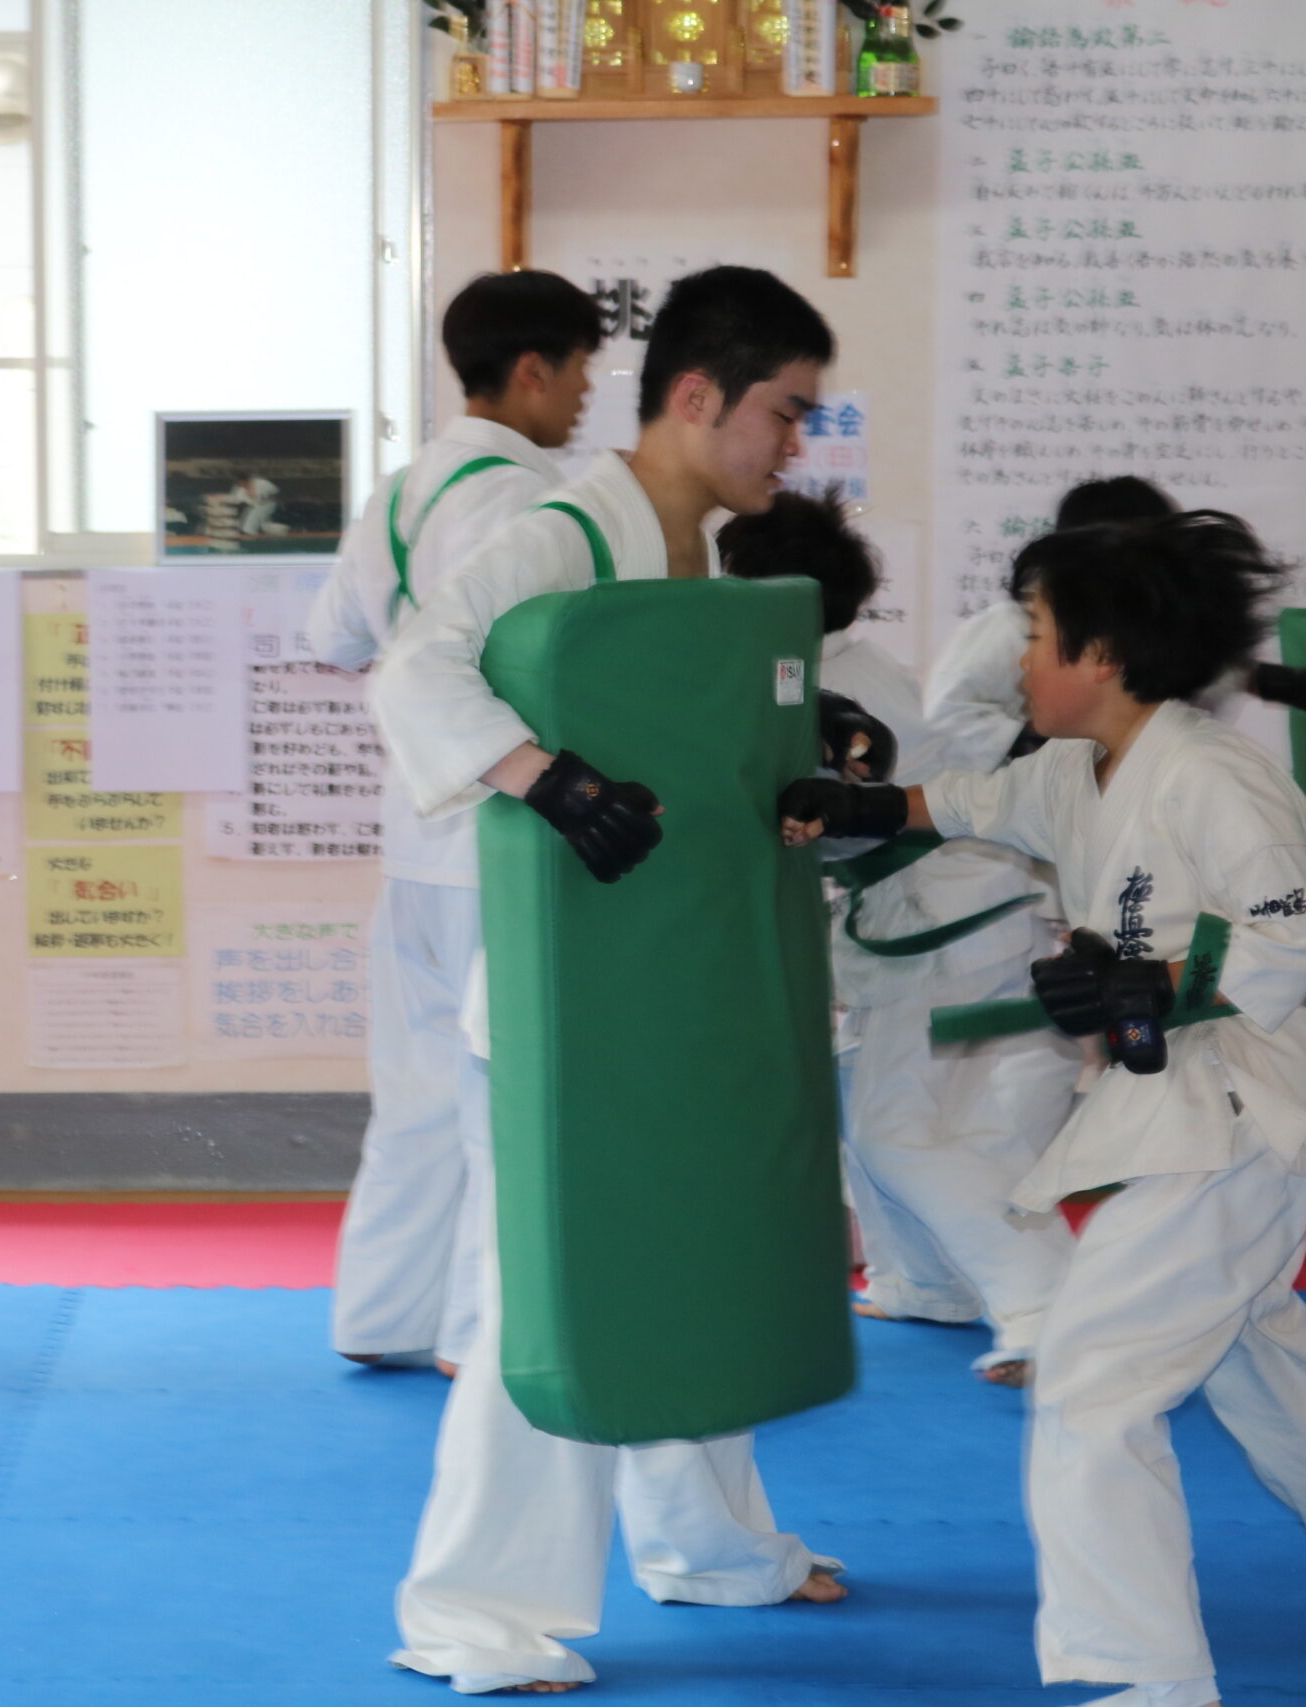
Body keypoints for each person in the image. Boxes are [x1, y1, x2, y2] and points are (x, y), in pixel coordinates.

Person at [371, 266, 846, 1695]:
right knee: (556, 1296)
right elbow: (416, 668)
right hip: (561, 1003)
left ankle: (709, 1546)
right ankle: (472, 1610)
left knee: (689, 1254)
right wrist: (543, 774)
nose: (796, 443)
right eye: (783, 412)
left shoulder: (703, 561)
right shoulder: (559, 534)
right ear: (697, 396)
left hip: (669, 980)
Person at [778, 510, 1306, 1707]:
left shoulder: (1213, 776)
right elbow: (966, 802)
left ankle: (1150, 1676)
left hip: (1239, 1122)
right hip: (1185, 1122)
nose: (1019, 658)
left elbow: (1293, 935)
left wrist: (1149, 982)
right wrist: (857, 806)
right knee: (1252, 1360)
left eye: (1036, 632)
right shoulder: (1076, 769)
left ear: (1101, 654)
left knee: (1089, 1381)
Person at [310, 269, 601, 1376]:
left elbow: (332, 638)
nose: (585, 393)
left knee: (418, 1096)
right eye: (579, 370)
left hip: (412, 845)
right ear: (531, 371)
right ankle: (479, 1337)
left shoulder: (398, 493)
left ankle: (382, 1315)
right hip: (498, 838)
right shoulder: (536, 503)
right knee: (500, 1099)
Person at [719, 491, 1078, 1386]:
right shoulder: (844, 663)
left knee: (894, 1133)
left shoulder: (812, 685)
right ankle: (925, 1282)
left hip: (943, 918)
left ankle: (1045, 1308)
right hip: (958, 909)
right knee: (888, 1110)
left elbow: (832, 804)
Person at [927, 476, 1177, 771]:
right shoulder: (1011, 625)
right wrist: (1035, 736)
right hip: (1017, 784)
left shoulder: (1161, 628)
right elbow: (943, 718)